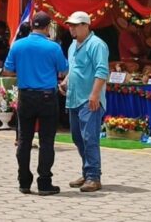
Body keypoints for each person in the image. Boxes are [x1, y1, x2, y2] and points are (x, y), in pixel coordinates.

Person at [4, 12, 68, 196]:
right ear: (47, 27)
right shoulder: (53, 47)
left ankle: (24, 181)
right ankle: (44, 183)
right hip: (47, 96)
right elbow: (63, 70)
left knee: (24, 140)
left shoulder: (18, 45)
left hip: (25, 95)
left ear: (32, 25)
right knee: (46, 141)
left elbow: (8, 71)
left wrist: (25, 72)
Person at [59, 11, 108, 193]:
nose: (71, 28)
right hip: (74, 98)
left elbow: (102, 71)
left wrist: (95, 95)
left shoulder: (97, 44)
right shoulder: (73, 45)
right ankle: (87, 172)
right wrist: (65, 82)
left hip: (89, 100)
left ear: (86, 25)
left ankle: (94, 177)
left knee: (90, 138)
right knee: (77, 137)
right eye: (70, 25)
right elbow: (74, 69)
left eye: (75, 25)